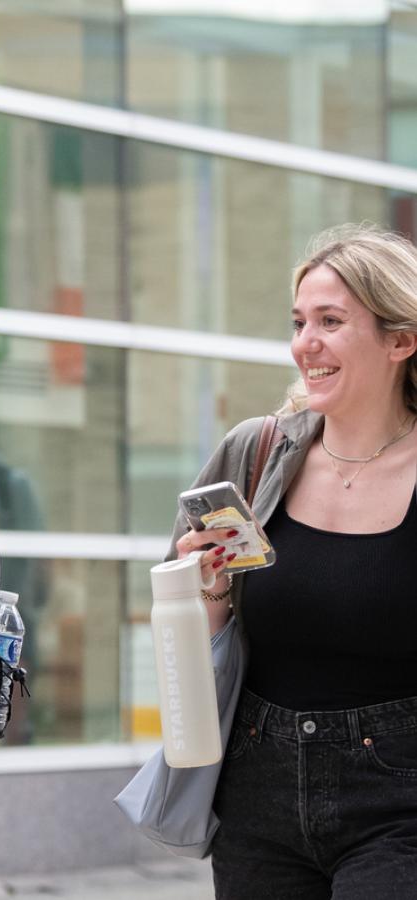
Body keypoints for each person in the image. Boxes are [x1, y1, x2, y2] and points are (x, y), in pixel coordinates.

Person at [169, 224, 417, 899]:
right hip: (259, 793)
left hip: (401, 804)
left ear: (401, 340)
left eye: (331, 322)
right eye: (299, 321)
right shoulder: (256, 454)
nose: (305, 343)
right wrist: (210, 595)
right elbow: (187, 634)